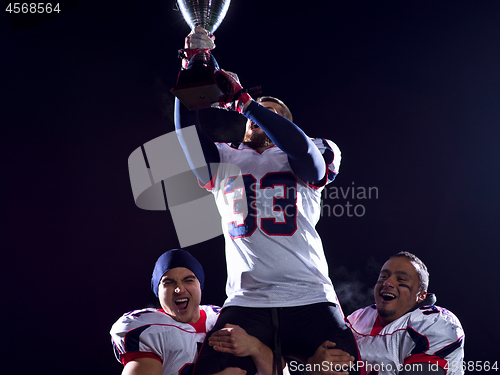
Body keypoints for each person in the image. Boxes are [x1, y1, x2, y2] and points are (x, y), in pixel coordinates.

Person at [174, 28, 360, 375]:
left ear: (285, 124)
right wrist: (191, 68)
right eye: (255, 116)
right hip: (247, 300)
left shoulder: (315, 148)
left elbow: (301, 149)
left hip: (309, 295)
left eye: (271, 114)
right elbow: (185, 135)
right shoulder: (225, 158)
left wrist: (247, 103)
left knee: (339, 368)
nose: (258, 118)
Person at [110, 249, 282, 375]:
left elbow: (284, 370)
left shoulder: (224, 317)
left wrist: (255, 347)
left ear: (200, 286)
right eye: (168, 283)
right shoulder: (148, 330)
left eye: (188, 280)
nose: (179, 289)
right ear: (157, 291)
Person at [341, 252, 464, 375]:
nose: (387, 283)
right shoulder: (358, 318)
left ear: (421, 295)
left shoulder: (435, 322)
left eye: (401, 279)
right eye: (383, 277)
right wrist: (322, 362)